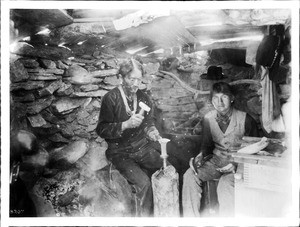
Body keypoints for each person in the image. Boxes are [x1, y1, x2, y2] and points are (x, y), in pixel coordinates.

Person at [96, 58, 164, 217]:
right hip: (120, 152)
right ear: (121, 77)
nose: (135, 83)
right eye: (131, 78)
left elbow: (148, 121)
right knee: (144, 183)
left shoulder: (144, 97)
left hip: (142, 147)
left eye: (138, 79)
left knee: (168, 168)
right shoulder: (110, 98)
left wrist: (151, 131)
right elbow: (101, 129)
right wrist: (124, 125)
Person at [182, 82, 259, 217]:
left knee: (224, 185)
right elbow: (206, 146)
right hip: (216, 162)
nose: (220, 102)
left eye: (224, 97)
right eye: (215, 98)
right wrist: (200, 156)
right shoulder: (208, 118)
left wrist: (236, 165)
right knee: (189, 175)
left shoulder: (246, 119)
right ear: (211, 101)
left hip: (240, 164)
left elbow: (256, 149)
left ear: (232, 98)